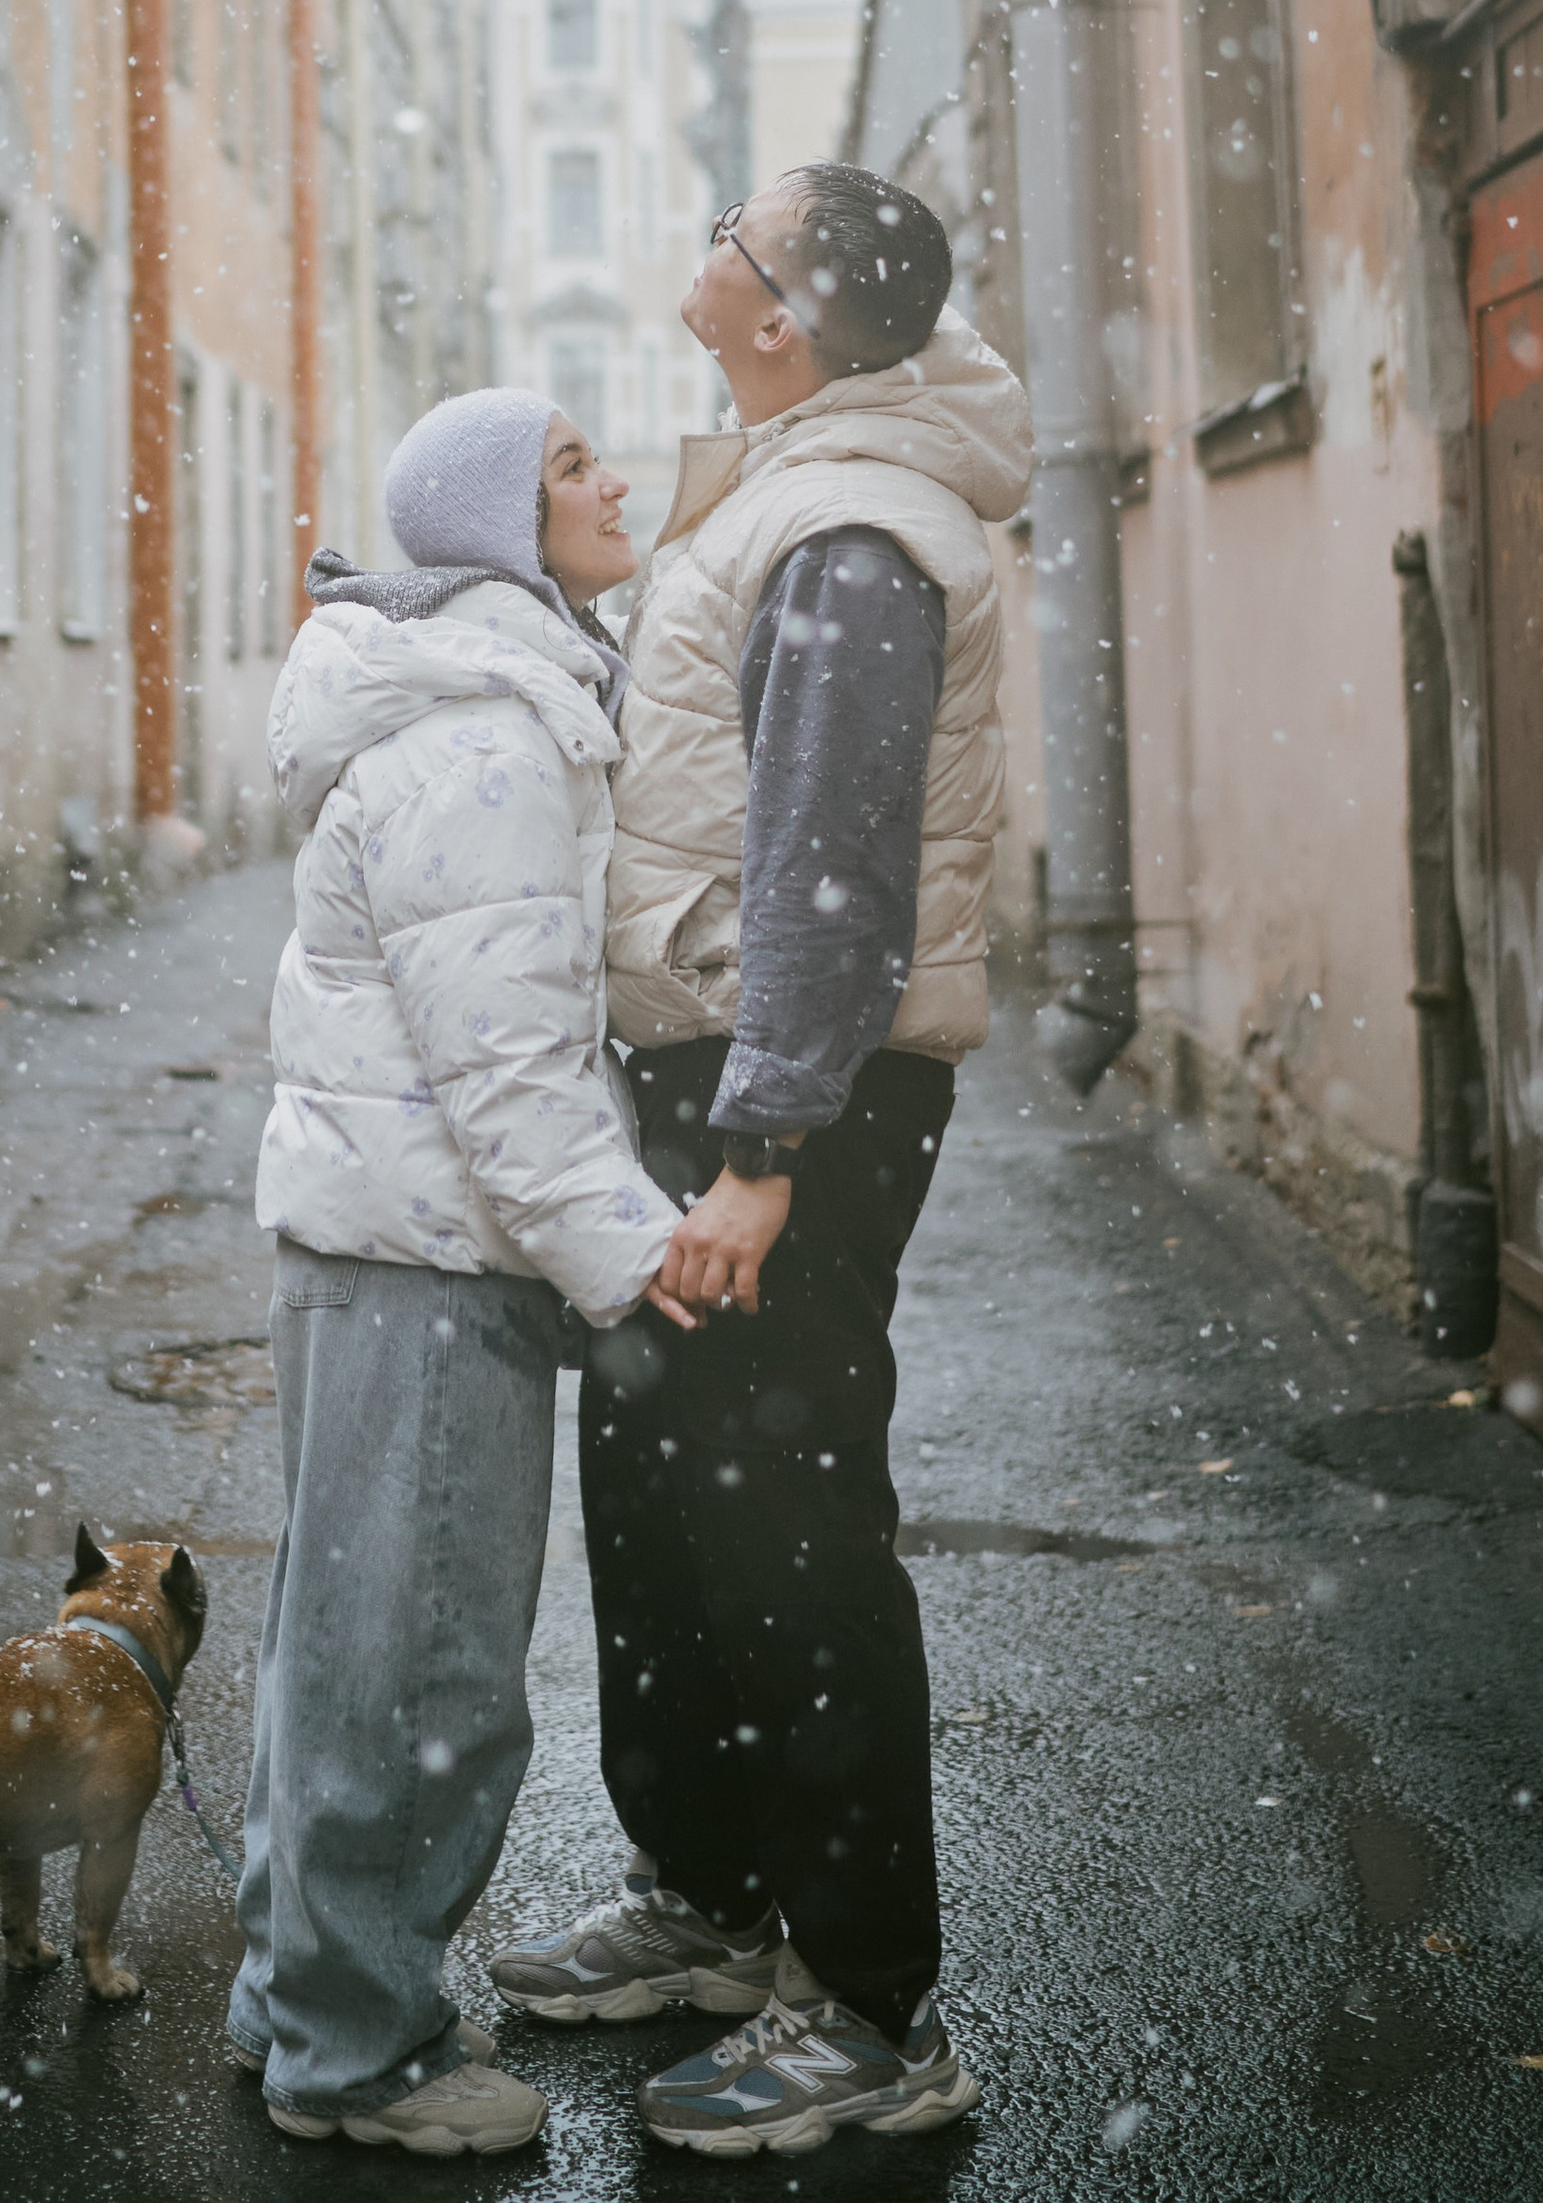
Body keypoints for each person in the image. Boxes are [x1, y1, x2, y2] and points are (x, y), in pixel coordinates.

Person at [491, 164, 1027, 2157]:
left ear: (781, 309)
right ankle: (712, 1907)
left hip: (783, 1099)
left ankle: (872, 2008)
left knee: (786, 1537)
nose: (702, 233)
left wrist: (762, 1146)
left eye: (738, 224)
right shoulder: (801, 455)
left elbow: (832, 867)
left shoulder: (853, 529)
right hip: (708, 1083)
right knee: (657, 1499)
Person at [230, 386, 693, 2157]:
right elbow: (510, 1077)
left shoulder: (497, 705)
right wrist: (642, 1268)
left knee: (338, 1656)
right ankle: (362, 2061)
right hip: (428, 1261)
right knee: (416, 1675)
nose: (611, 479)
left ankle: (297, 1998)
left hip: (389, 1248)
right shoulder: (486, 746)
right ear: (502, 522)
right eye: (571, 463)